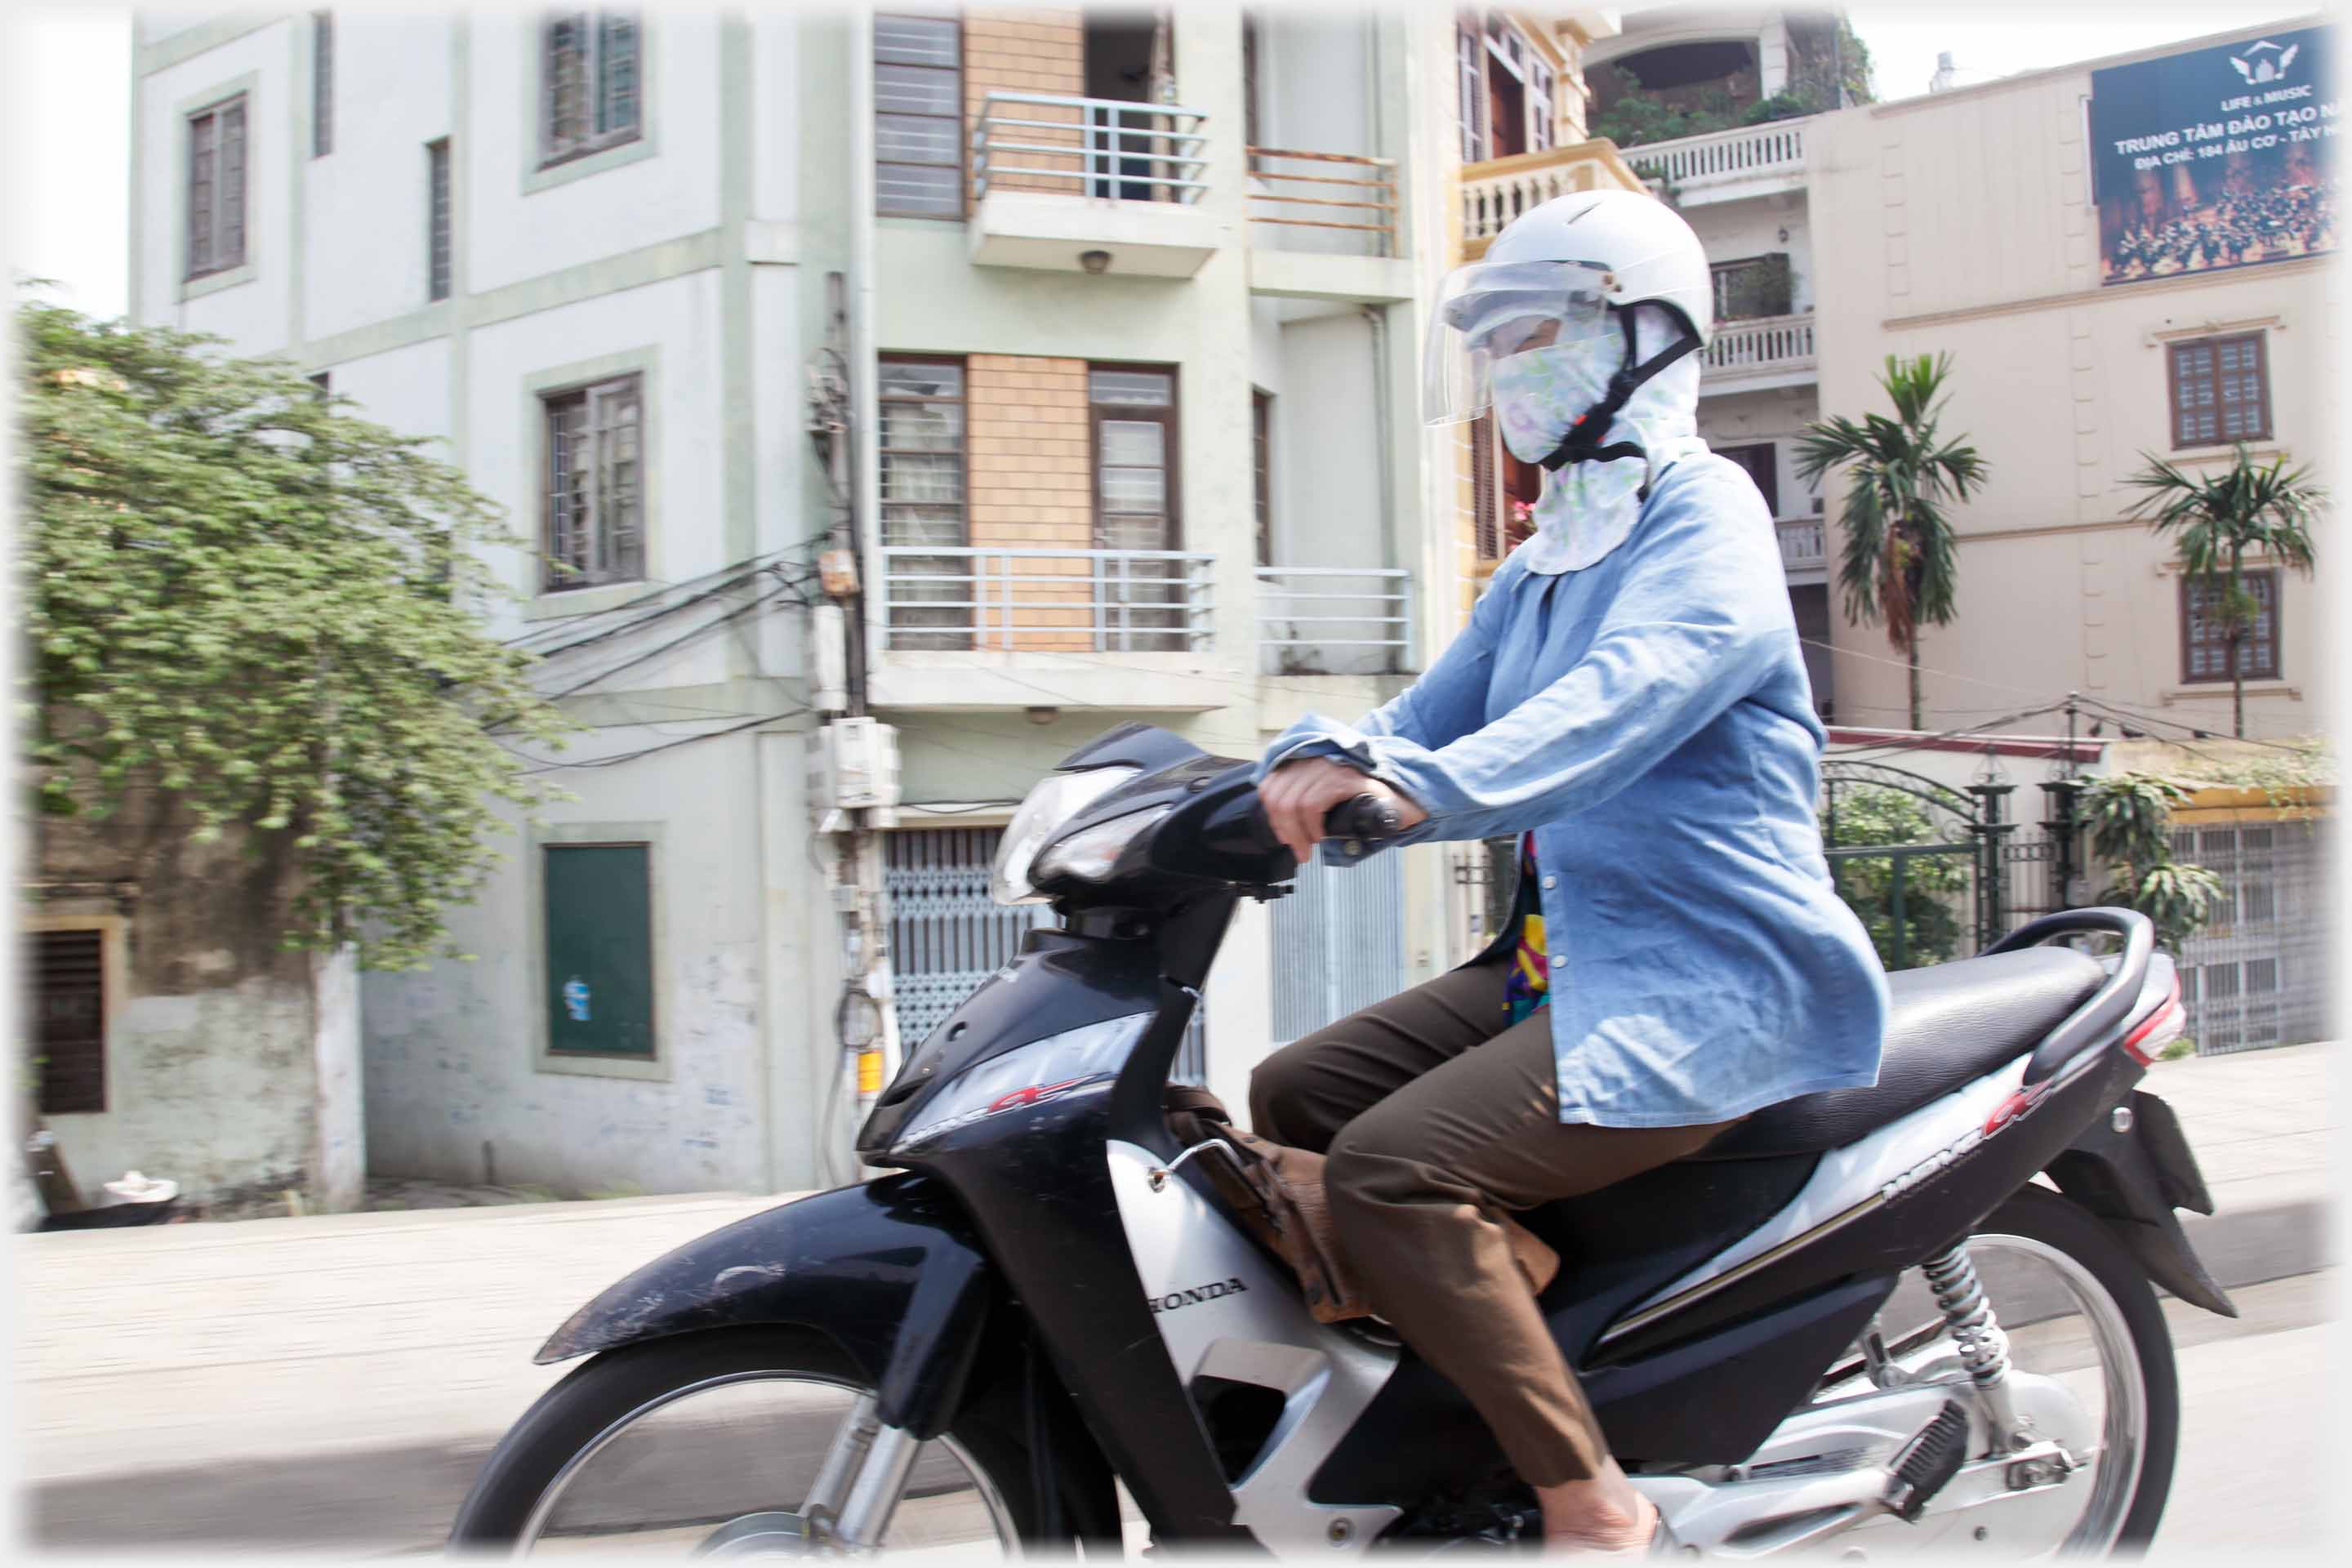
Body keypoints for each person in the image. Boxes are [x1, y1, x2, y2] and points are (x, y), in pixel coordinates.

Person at [1248, 190, 1891, 1554]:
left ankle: (1590, 1500)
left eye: (1530, 333)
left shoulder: (1705, 519)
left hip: (1710, 980)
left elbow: (1623, 699)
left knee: (1390, 1172)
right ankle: (1485, 1349)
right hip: (1564, 968)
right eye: (1488, 345)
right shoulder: (1548, 558)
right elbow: (1426, 712)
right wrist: (1282, 764)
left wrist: (1415, 791)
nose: (1504, 372)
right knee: (1289, 1092)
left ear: (1643, 337)